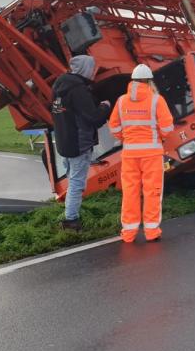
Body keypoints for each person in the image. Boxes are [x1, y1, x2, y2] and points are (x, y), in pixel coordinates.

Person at [108, 64, 175, 243]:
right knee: (152, 192)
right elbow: (168, 127)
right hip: (152, 154)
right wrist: (158, 137)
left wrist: (125, 138)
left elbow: (114, 126)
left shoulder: (121, 101)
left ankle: (128, 233)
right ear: (149, 81)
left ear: (133, 81)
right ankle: (152, 232)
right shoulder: (156, 100)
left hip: (129, 155)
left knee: (130, 192)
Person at [51, 54, 112, 231]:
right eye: (92, 68)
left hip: (64, 142)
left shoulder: (58, 88)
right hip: (79, 144)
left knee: (73, 182)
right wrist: (105, 106)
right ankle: (71, 221)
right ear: (85, 68)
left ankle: (71, 212)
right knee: (77, 184)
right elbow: (93, 118)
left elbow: (59, 113)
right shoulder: (78, 89)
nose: (94, 72)